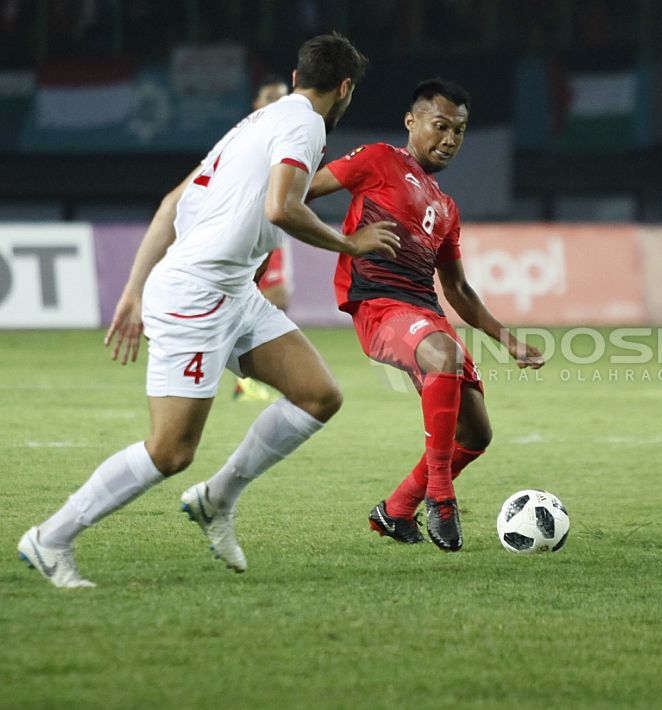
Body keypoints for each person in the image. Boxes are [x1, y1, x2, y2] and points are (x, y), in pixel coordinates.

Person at [17, 34, 403, 588]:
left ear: (296, 78)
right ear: (345, 89)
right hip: (197, 296)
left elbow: (174, 201)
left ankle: (216, 499)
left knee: (319, 395)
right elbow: (281, 207)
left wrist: (131, 289)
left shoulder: (259, 121)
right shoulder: (305, 125)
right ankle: (51, 537)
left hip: (232, 292)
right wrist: (351, 244)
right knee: (170, 451)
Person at [306, 78, 544, 552]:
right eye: (440, 126)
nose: (450, 139)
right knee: (445, 360)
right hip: (378, 304)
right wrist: (345, 242)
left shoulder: (446, 208)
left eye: (459, 130)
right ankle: (440, 497)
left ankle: (395, 510)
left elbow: (456, 288)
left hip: (425, 311)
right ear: (411, 122)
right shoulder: (377, 159)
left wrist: (508, 339)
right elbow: (301, 193)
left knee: (476, 433)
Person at [235, 74, 296, 402]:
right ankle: (244, 377)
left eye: (283, 98)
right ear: (256, 105)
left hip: (274, 223)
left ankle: (247, 376)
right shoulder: (248, 138)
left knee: (277, 298)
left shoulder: (285, 138)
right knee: (272, 296)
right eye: (271, 97)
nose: (278, 104)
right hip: (253, 224)